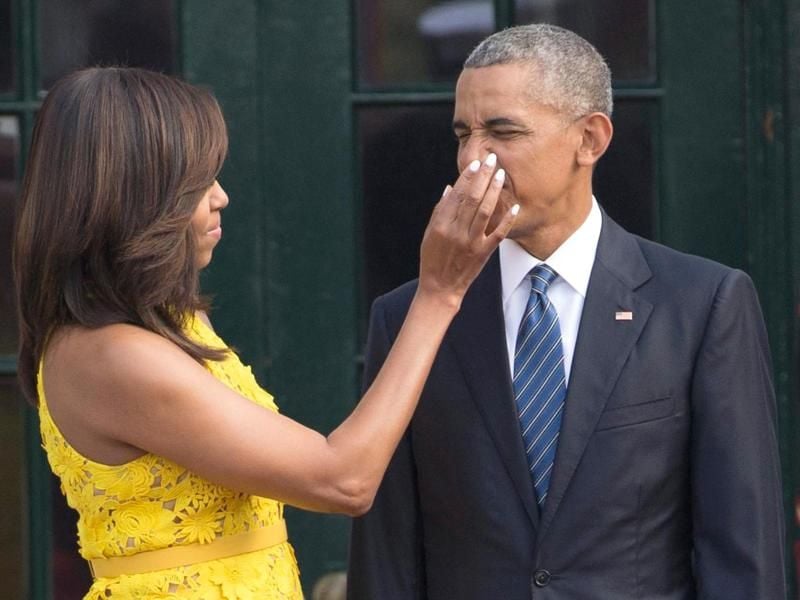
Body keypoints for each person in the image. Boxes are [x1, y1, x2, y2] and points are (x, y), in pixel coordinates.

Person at [12, 67, 517, 599]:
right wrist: (439, 293)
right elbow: (344, 480)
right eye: (196, 182)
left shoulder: (169, 324)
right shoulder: (110, 355)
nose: (220, 197)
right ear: (134, 195)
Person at [348, 23, 786, 600]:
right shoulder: (407, 317)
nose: (473, 160)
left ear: (590, 139)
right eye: (463, 133)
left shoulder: (702, 304)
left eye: (502, 131)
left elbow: (743, 554)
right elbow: (386, 560)